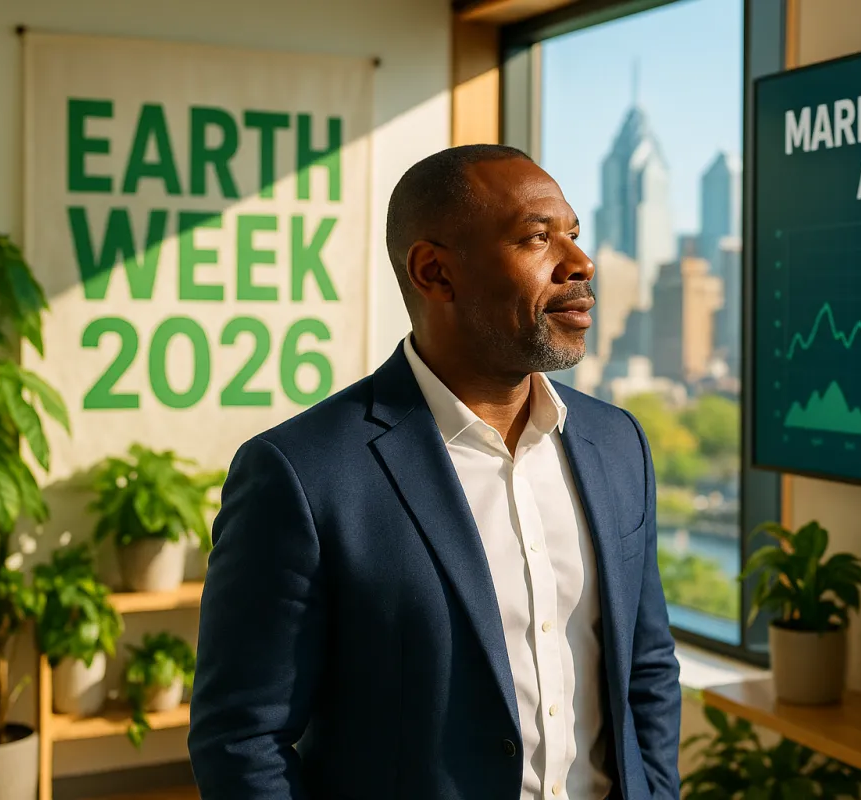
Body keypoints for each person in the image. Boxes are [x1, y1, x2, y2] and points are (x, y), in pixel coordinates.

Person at [187, 144, 682, 800]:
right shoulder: (301, 474)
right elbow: (242, 736)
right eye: (537, 237)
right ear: (435, 272)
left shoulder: (617, 445)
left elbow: (646, 670)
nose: (580, 263)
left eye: (574, 235)